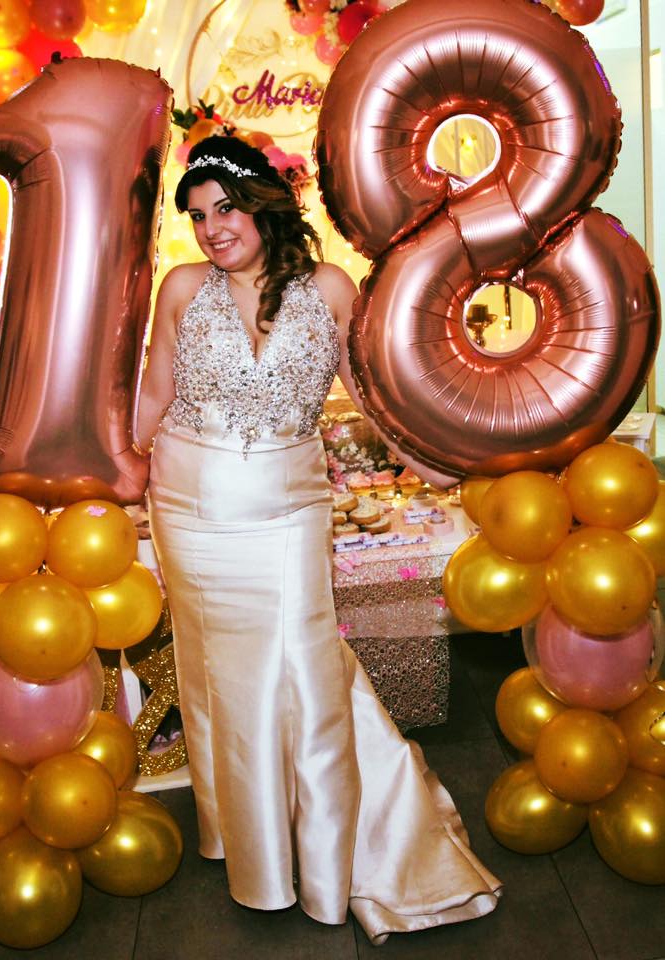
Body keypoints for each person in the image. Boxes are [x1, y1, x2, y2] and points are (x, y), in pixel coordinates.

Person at [136, 135, 501, 945]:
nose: (211, 229)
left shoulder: (331, 287)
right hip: (188, 509)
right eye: (197, 216)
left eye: (225, 209)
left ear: (262, 205)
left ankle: (331, 856)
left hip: (288, 510)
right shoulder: (182, 287)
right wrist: (109, 466)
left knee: (304, 669)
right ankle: (245, 839)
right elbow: (156, 388)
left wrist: (429, 460)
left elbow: (369, 395)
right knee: (217, 677)